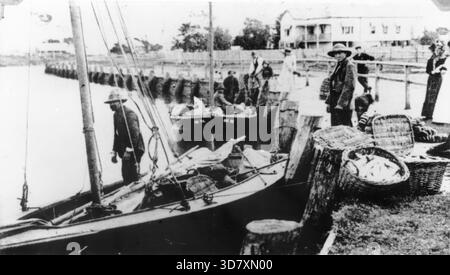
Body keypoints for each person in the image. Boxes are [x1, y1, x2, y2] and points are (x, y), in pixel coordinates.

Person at [106, 89, 145, 185]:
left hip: (134, 149)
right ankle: (129, 185)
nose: (111, 105)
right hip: (125, 150)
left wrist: (129, 150)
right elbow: (116, 134)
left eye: (113, 102)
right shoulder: (116, 115)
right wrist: (114, 151)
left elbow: (134, 134)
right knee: (125, 173)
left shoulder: (129, 114)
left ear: (120, 102)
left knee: (131, 172)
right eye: (110, 103)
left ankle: (135, 187)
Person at [325, 44, 357, 127]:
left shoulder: (349, 65)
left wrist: (341, 104)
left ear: (345, 53)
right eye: (335, 54)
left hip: (343, 102)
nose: (337, 55)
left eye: (340, 53)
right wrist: (329, 102)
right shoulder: (338, 65)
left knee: (345, 127)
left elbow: (349, 86)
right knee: (335, 126)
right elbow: (333, 84)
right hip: (334, 99)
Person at [422, 41, 447, 120]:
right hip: (431, 78)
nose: (438, 50)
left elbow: (445, 69)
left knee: (435, 95)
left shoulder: (444, 59)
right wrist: (431, 71)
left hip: (438, 78)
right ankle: (427, 113)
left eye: (440, 49)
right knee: (429, 95)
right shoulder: (432, 58)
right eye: (437, 48)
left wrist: (440, 70)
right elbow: (427, 69)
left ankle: (433, 114)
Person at [432, 42, 450, 124]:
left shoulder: (448, 59)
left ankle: (443, 117)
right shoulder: (448, 59)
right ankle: (443, 117)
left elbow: (444, 70)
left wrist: (442, 70)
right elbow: (444, 69)